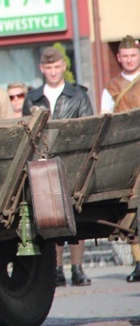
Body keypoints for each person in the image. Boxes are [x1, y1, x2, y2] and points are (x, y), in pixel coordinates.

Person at [23, 47, 93, 287]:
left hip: (71, 161)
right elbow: (26, 134)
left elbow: (87, 129)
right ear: (42, 69)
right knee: (49, 215)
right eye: (48, 68)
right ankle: (57, 270)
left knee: (75, 215)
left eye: (56, 67)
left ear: (64, 66)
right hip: (43, 164)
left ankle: (77, 268)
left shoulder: (78, 95)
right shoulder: (32, 98)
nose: (53, 72)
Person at [99, 35, 140, 282]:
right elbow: (106, 118)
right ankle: (138, 262)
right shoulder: (111, 87)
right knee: (132, 209)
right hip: (127, 154)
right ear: (118, 58)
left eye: (133, 56)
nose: (128, 60)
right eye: (124, 56)